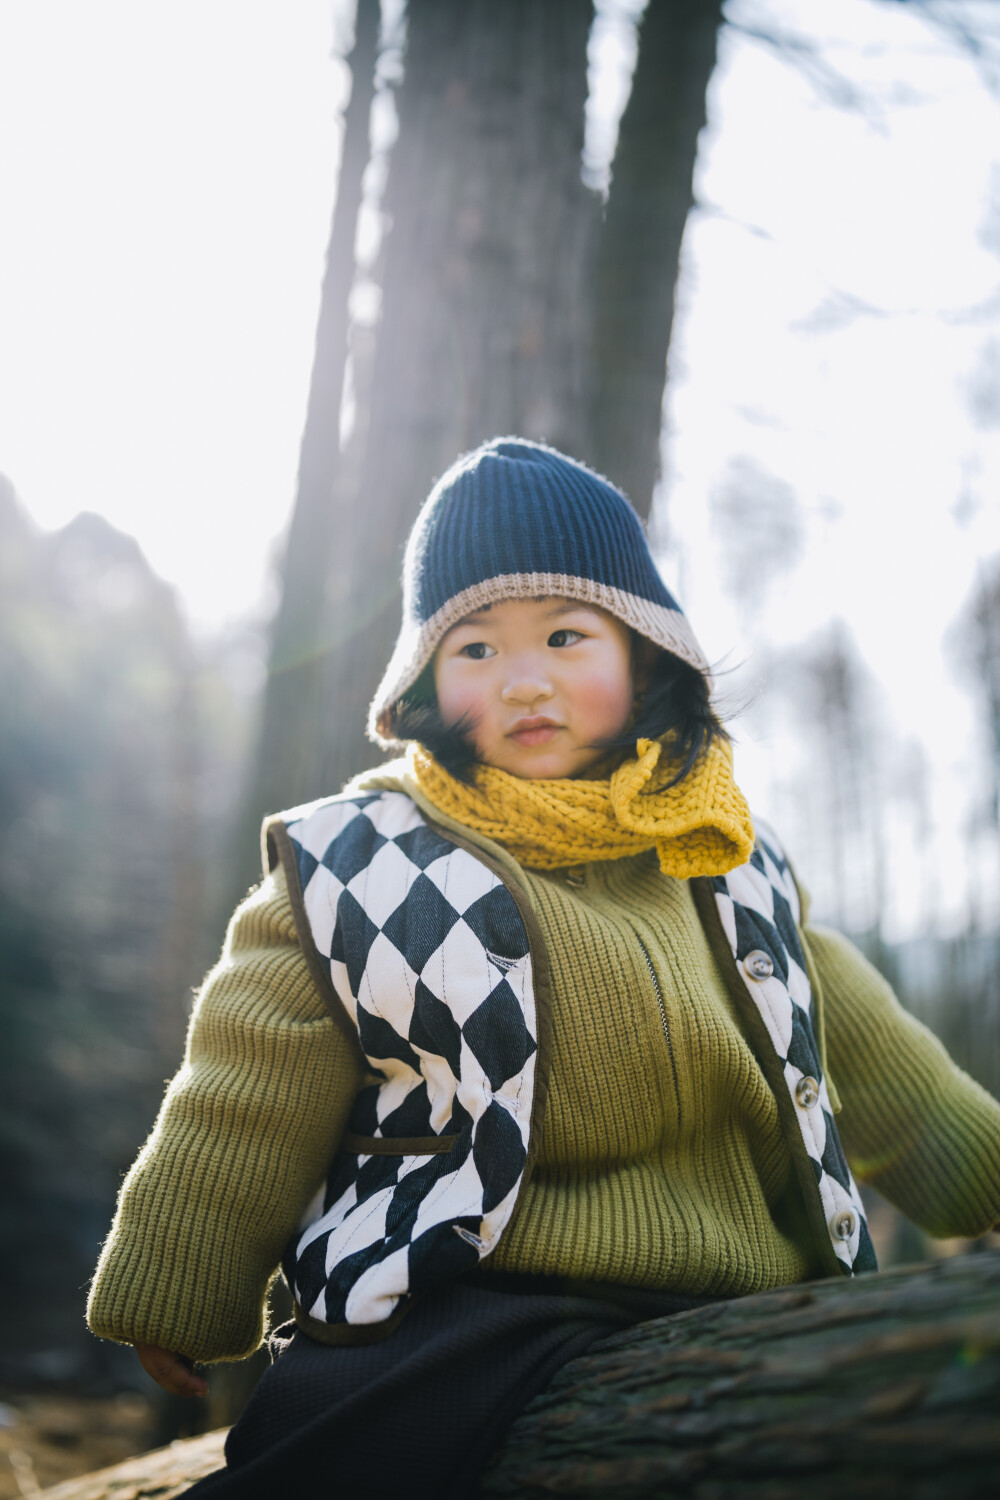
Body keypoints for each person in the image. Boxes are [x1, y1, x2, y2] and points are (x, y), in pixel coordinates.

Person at [87, 438, 1000, 1497]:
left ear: (646, 656)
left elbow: (873, 1057)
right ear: (424, 682)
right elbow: (246, 1088)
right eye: (473, 650)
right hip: (472, 1293)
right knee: (338, 1454)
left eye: (566, 637)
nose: (522, 681)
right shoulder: (362, 865)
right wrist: (180, 1285)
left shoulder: (726, 858)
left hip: (749, 1275)